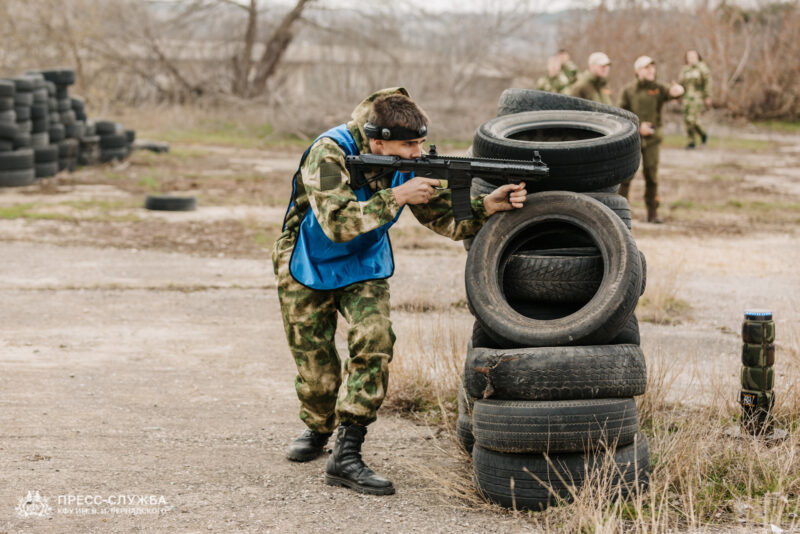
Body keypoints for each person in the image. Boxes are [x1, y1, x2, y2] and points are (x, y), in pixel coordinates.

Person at [273, 87, 527, 496]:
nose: (416, 152)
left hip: (364, 262)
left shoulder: (403, 161)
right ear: (378, 142)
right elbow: (336, 224)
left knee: (374, 339)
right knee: (317, 372)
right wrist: (396, 195)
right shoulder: (328, 152)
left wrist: (487, 207)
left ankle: (347, 452)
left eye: (420, 143)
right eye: (409, 145)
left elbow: (444, 218)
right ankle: (318, 427)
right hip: (306, 259)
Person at [618, 56, 685, 224]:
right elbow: (620, 114)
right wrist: (638, 127)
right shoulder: (629, 90)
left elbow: (672, 92)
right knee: (626, 175)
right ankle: (619, 212)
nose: (651, 71)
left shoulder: (658, 88)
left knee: (651, 175)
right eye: (646, 68)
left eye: (652, 68)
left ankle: (652, 212)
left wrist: (679, 91)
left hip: (653, 139)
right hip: (633, 138)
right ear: (637, 71)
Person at [678, 49, 712, 149]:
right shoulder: (685, 69)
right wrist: (677, 96)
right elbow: (681, 84)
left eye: (693, 56)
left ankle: (703, 134)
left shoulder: (702, 68)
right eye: (689, 56)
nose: (691, 58)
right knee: (687, 121)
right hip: (686, 98)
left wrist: (708, 96)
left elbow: (708, 82)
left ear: (697, 56)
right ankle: (691, 142)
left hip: (697, 97)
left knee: (693, 120)